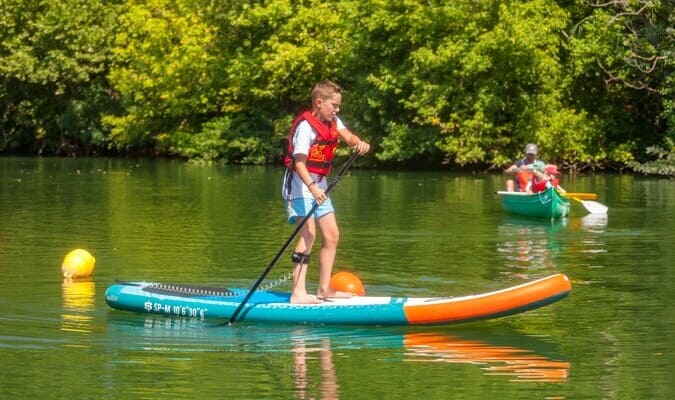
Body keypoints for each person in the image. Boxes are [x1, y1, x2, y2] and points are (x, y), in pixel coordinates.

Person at [282, 80, 370, 304]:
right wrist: (312, 187)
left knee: (332, 235)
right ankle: (298, 293)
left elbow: (348, 136)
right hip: (300, 185)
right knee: (309, 234)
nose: (337, 110)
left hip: (319, 185)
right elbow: (299, 163)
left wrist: (358, 143)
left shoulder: (333, 121)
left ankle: (324, 289)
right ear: (319, 102)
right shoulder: (305, 127)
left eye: (339, 106)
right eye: (334, 105)